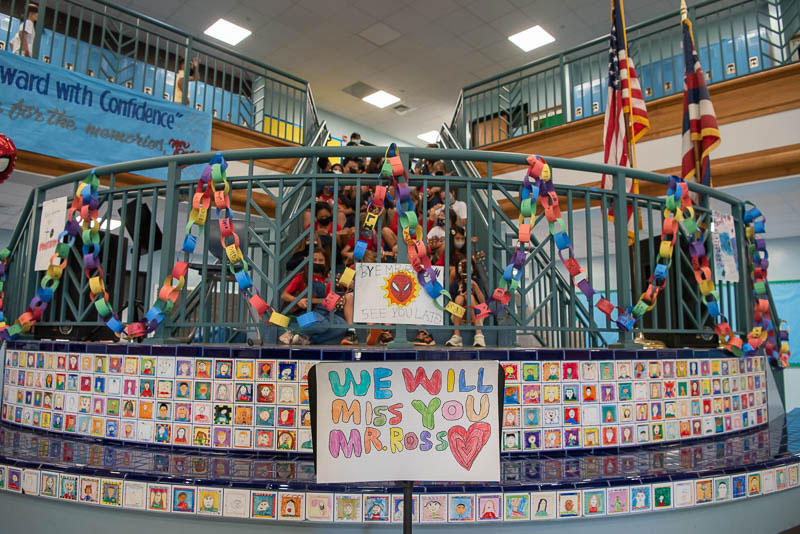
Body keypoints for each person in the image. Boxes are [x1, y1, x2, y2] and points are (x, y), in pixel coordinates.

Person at [281, 249, 352, 345]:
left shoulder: (328, 279)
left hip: (326, 312)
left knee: (342, 326)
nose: (317, 262)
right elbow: (284, 295)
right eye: (314, 260)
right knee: (324, 324)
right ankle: (292, 333)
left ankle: (306, 340)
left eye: (321, 260)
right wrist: (297, 300)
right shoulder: (301, 277)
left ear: (326, 262)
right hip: (306, 312)